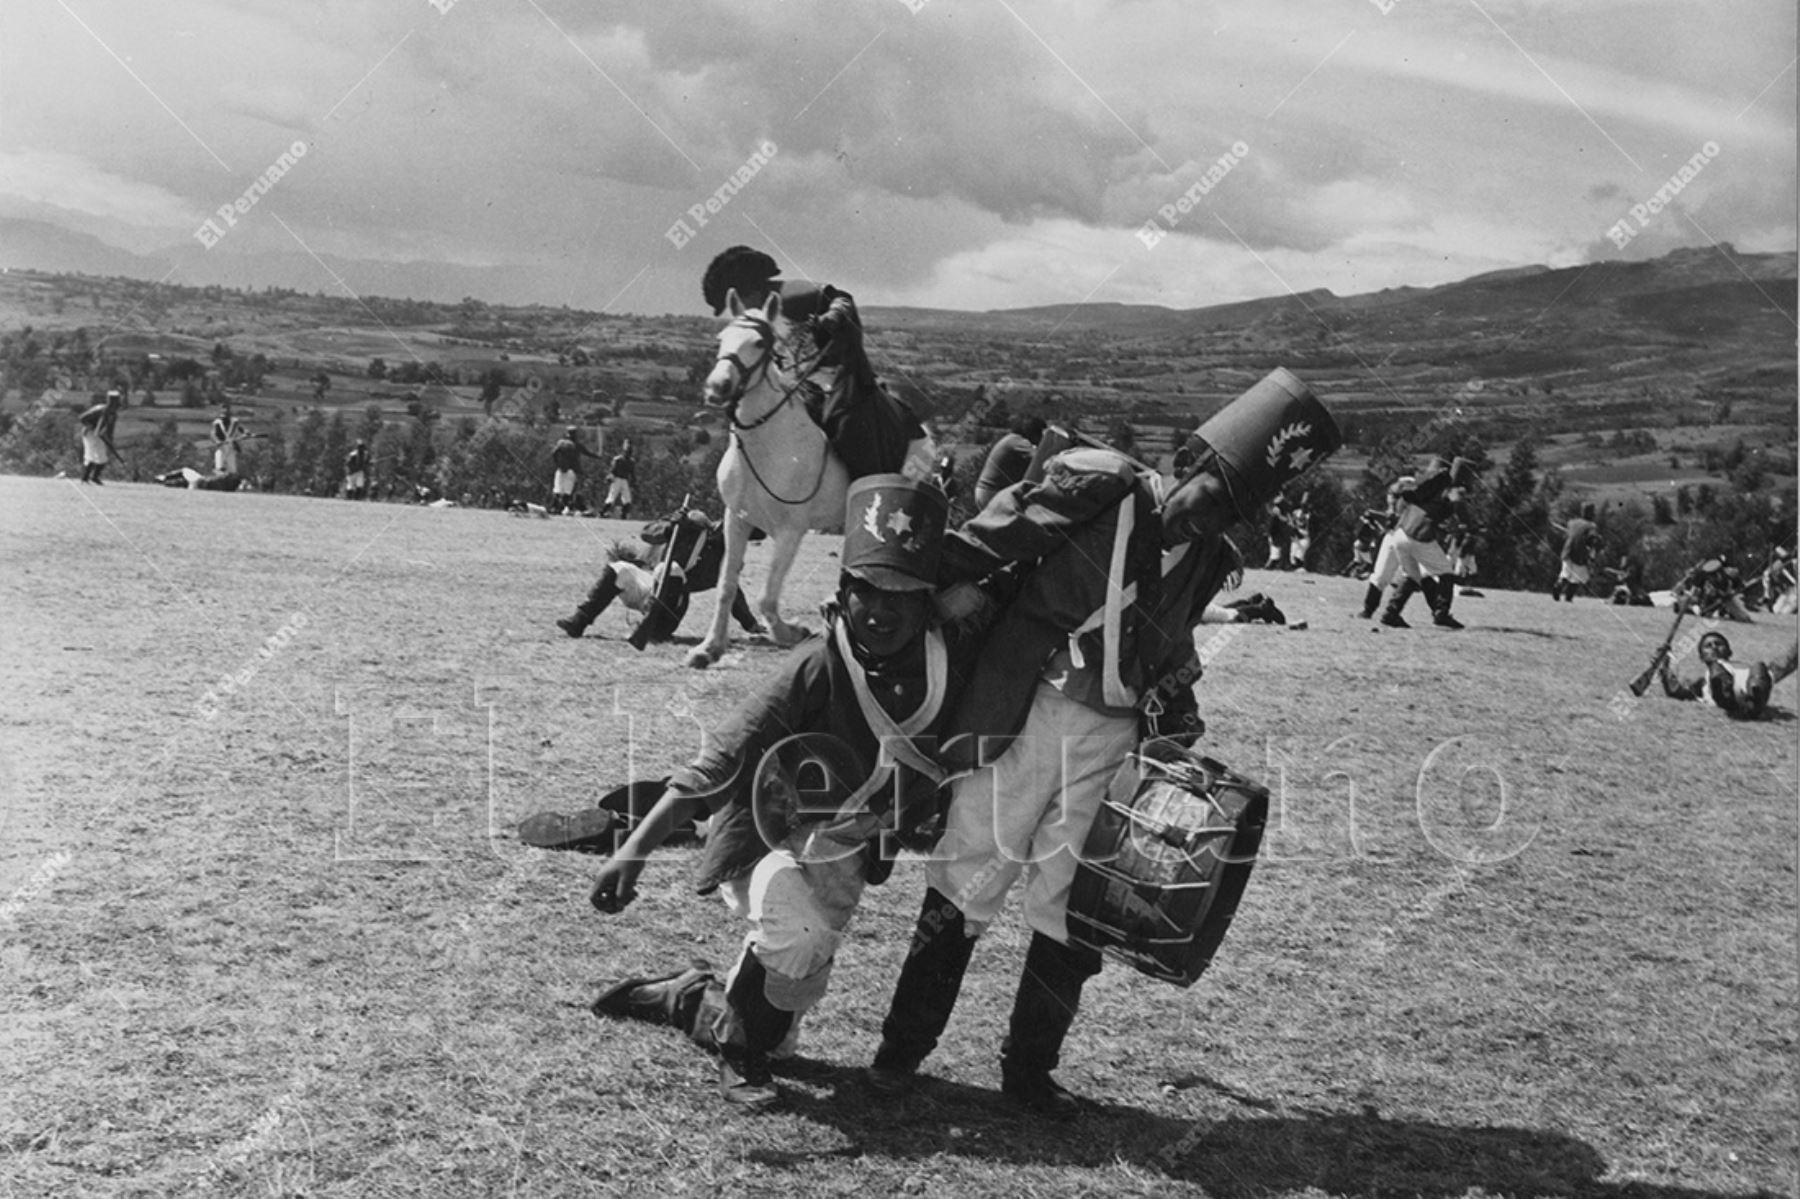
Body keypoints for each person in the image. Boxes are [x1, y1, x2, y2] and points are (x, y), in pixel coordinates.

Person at [867, 369, 1342, 1116]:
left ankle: (1028, 1074)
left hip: (1112, 741)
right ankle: (899, 1053)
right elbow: (996, 536)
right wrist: (905, 585)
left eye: (1229, 514)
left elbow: (1168, 648)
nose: (1204, 519)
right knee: (965, 879)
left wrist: (1179, 712)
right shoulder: (1105, 485)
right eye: (1209, 496)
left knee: (1070, 906)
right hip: (1026, 711)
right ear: (1191, 465)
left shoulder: (1212, 559)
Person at [586, 476, 981, 1109]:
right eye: (868, 592)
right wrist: (633, 851)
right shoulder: (817, 665)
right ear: (843, 595)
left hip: (842, 856)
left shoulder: (943, 666)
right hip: (764, 840)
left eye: (904, 596)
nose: (882, 611)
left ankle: (687, 997)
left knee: (786, 1011)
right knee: (795, 939)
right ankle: (740, 1058)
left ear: (930, 604)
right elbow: (715, 765)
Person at [702, 245, 927, 481]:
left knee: (843, 423)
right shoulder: (756, 318)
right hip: (794, 379)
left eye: (738, 300)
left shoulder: (791, 294)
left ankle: (865, 483)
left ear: (750, 292)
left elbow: (841, 297)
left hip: (835, 371)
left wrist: (832, 316)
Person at [556, 508, 764, 646]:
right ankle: (579, 621)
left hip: (672, 607)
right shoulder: (674, 530)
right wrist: (670, 525)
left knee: (669, 568)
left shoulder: (717, 554)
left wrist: (750, 624)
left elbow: (732, 588)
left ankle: (652, 629)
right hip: (649, 591)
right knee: (620, 568)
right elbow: (647, 532)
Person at [1375, 457, 1478, 630]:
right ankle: (1441, 614)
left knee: (1411, 575)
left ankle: (1390, 613)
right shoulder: (1453, 488)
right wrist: (1468, 524)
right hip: (1419, 535)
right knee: (1446, 572)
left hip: (1401, 532)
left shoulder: (1431, 486)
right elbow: (1457, 501)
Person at [1655, 632, 1797, 719]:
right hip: (1723, 698)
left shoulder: (1745, 669)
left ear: (1729, 652)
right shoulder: (1702, 682)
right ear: (1702, 657)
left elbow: (1786, 662)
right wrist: (1665, 662)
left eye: (1719, 644)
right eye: (1708, 646)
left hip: (1751, 691)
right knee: (1717, 670)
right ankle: (1725, 690)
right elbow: (1676, 690)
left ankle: (1754, 703)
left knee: (1759, 667)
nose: (1714, 647)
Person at [974, 416, 1047, 509]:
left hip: (986, 490)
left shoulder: (1011, 439)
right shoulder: (1018, 442)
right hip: (992, 492)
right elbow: (1040, 458)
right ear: (1034, 432)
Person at [1551, 502, 1600, 602]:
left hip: (1567, 551)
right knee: (1576, 578)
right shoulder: (1591, 526)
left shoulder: (1572, 523)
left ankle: (1558, 585)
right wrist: (1592, 554)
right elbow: (1592, 540)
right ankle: (1568, 598)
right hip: (1580, 554)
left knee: (1565, 574)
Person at [549, 425, 599, 515]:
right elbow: (588, 453)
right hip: (571, 471)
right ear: (575, 434)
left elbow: (553, 453)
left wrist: (557, 464)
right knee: (568, 491)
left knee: (557, 489)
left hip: (560, 469)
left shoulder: (561, 443)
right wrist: (598, 456)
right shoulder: (577, 445)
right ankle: (563, 508)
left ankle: (554, 507)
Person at [77, 389, 122, 484]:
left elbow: (109, 429)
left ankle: (92, 477)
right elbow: (82, 418)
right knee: (92, 455)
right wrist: (91, 427)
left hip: (99, 435)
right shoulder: (100, 409)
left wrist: (110, 441)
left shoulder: (113, 414)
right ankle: (86, 478)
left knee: (100, 457)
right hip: (90, 433)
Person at [603, 440, 637, 519]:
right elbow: (612, 470)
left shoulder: (631, 461)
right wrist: (610, 477)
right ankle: (603, 512)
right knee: (611, 497)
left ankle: (623, 514)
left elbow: (632, 473)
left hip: (624, 480)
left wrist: (634, 482)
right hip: (617, 479)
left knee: (627, 499)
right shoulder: (618, 460)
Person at [210, 404, 247, 475]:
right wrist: (217, 441)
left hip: (231, 447)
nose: (224, 418)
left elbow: (242, 430)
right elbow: (213, 434)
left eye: (226, 416)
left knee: (232, 469)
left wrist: (245, 433)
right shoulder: (217, 423)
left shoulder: (235, 422)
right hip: (221, 447)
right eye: (223, 416)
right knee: (219, 468)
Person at [1264, 493, 1294, 570]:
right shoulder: (1277, 509)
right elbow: (1282, 519)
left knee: (1276, 550)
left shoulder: (1279, 509)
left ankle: (1271, 565)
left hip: (1276, 531)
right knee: (1275, 550)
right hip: (1275, 532)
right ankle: (1269, 566)